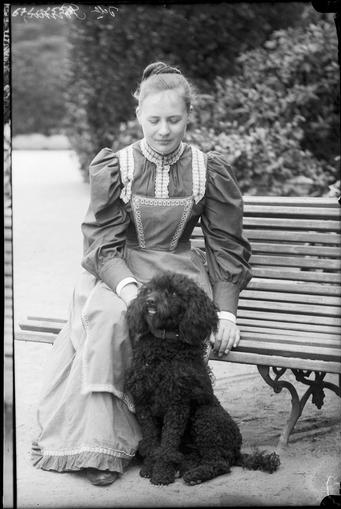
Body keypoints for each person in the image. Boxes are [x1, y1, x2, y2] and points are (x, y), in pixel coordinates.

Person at [32, 61, 252, 486]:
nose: (164, 130)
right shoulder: (118, 166)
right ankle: (102, 445)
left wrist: (226, 313)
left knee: (177, 328)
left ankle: (167, 437)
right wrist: (128, 288)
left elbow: (226, 247)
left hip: (181, 275)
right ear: (138, 116)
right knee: (112, 322)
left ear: (189, 115)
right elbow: (102, 243)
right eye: (154, 120)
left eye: (174, 119)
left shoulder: (208, 168)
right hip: (123, 269)